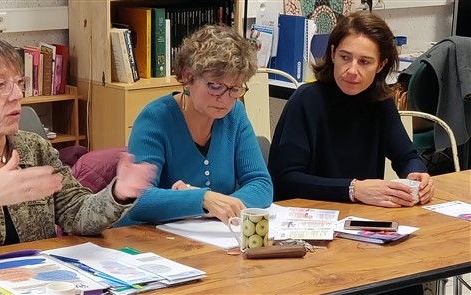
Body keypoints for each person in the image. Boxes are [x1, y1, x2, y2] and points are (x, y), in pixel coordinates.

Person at [0, 36, 156, 266]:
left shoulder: (34, 147)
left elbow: (77, 214)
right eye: (0, 85)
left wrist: (118, 193)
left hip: (40, 280)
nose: (17, 95)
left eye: (18, 83)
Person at [268, 11, 434, 208]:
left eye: (364, 62)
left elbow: (407, 157)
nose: (352, 70)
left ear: (381, 65)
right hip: (310, 215)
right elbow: (286, 179)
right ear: (332, 54)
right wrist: (353, 189)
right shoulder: (306, 100)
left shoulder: (380, 102)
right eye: (345, 57)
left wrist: (417, 176)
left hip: (362, 217)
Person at [115, 24, 273, 227]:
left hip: (210, 240)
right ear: (189, 77)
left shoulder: (235, 114)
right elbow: (136, 199)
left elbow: (261, 184)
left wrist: (224, 206)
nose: (225, 100)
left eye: (235, 89)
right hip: (151, 241)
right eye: (215, 86)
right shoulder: (155, 119)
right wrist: (204, 200)